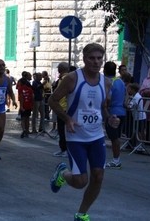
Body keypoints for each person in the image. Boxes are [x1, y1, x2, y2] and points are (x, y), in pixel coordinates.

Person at [48, 43, 120, 221]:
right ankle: (63, 173)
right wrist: (67, 119)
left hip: (96, 136)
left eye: (99, 59)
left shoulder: (106, 82)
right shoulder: (73, 78)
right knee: (81, 182)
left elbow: (102, 106)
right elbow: (53, 100)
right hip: (75, 136)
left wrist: (109, 118)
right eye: (92, 58)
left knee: (98, 177)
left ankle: (81, 214)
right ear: (84, 59)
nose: (96, 62)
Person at [103, 61, 128, 169]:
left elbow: (108, 97)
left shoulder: (109, 82)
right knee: (115, 136)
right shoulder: (120, 81)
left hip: (112, 113)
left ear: (104, 71)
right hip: (121, 111)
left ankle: (116, 160)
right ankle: (116, 159)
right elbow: (126, 93)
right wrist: (125, 103)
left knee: (114, 138)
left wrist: (105, 107)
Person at [52, 62, 69, 158]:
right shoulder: (70, 78)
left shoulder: (62, 79)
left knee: (62, 130)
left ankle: (64, 149)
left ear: (60, 70)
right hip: (67, 107)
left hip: (62, 107)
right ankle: (64, 149)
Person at [126, 83, 147, 152]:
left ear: (133, 90)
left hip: (139, 117)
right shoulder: (135, 96)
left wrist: (125, 104)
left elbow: (130, 106)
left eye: (129, 89)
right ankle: (140, 144)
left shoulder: (136, 97)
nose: (129, 91)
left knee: (139, 131)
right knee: (140, 131)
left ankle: (141, 144)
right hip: (138, 116)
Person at [18, 74, 33, 138]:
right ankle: (27, 131)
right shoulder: (30, 89)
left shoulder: (20, 89)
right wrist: (32, 105)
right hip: (29, 105)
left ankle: (24, 129)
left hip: (24, 105)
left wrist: (21, 106)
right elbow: (32, 97)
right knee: (27, 119)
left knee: (23, 119)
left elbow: (21, 97)